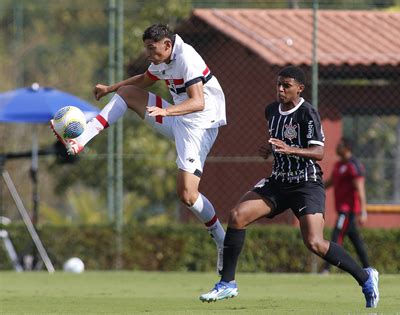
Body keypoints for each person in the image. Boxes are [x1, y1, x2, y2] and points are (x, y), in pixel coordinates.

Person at [50, 23, 226, 274]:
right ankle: (81, 140)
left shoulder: (187, 58)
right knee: (128, 93)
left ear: (167, 45)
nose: (148, 54)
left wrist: (166, 110)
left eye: (151, 49)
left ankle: (221, 240)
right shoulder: (164, 56)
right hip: (178, 118)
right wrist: (110, 89)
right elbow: (144, 80)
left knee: (187, 194)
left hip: (200, 126)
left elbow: (198, 102)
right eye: (146, 49)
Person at [199, 66, 380, 308]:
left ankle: (366, 277)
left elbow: (319, 151)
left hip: (306, 184)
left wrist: (289, 148)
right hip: (278, 181)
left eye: (286, 85)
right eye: (278, 84)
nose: (280, 89)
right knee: (237, 216)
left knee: (314, 242)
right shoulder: (271, 111)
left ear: (300, 88)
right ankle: (227, 283)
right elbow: (280, 140)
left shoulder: (308, 114)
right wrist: (271, 149)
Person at [321, 137, 370, 274]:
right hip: (341, 210)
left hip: (347, 211)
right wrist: (316, 188)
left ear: (347, 148)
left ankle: (326, 269)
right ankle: (368, 267)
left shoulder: (353, 165)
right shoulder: (338, 165)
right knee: (356, 241)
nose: (337, 147)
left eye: (340, 145)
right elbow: (331, 182)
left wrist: (363, 212)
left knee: (336, 236)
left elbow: (360, 190)